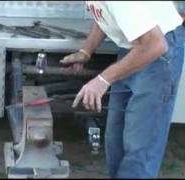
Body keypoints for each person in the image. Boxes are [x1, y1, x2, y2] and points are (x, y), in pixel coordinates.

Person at [60, 1, 185, 178]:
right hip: (135, 47)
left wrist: (102, 80)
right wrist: (86, 51)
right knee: (115, 142)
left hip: (158, 52)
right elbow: (104, 15)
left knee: (139, 148)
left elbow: (156, 45)